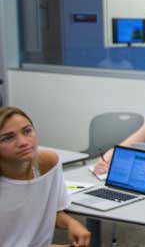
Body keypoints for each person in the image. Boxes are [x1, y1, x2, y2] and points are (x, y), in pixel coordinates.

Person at [0, 106, 91, 247]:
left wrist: (71, 223)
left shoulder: (48, 163)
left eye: (27, 131)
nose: (23, 142)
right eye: (7, 138)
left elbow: (49, 214)